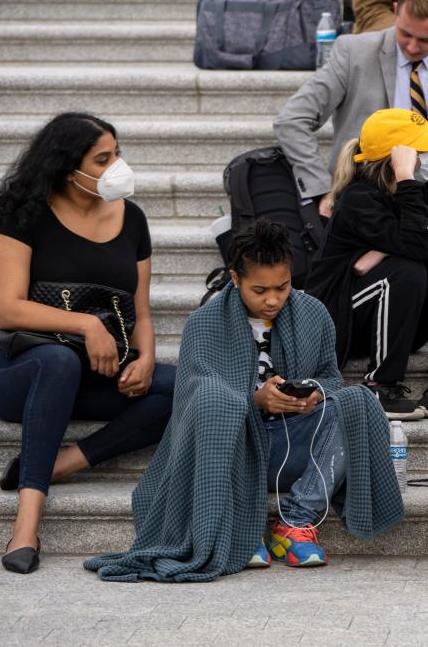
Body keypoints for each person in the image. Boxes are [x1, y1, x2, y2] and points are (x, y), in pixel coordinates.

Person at [86, 221, 403, 582]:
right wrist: (255, 401)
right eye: (260, 290)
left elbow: (330, 376)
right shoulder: (204, 323)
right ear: (235, 279)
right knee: (214, 400)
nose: (272, 299)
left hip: (294, 444)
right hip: (231, 449)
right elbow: (191, 401)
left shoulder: (314, 313)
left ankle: (296, 523)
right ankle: (240, 525)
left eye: (282, 287)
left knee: (357, 401)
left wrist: (313, 394)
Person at [0, 113, 176, 574]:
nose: (117, 166)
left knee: (187, 386)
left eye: (117, 154)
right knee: (59, 359)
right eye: (103, 159)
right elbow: (8, 308)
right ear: (69, 169)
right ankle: (26, 525)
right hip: (19, 372)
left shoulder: (132, 219)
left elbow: (140, 311)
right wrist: (86, 324)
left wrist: (145, 358)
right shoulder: (24, 215)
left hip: (99, 372)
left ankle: (66, 462)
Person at [275, 0, 428, 276]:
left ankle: (399, 255)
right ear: (396, 12)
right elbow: (291, 120)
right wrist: (321, 189)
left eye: (425, 40)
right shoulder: (351, 51)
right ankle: (416, 252)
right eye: (405, 33)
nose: (412, 46)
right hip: (368, 193)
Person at [306, 109, 428, 421]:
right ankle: (380, 384)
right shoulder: (359, 197)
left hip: (399, 316)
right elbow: (420, 243)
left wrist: (380, 252)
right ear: (396, 158)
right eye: (420, 149)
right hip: (343, 317)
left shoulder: (425, 186)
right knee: (406, 270)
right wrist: (407, 184)